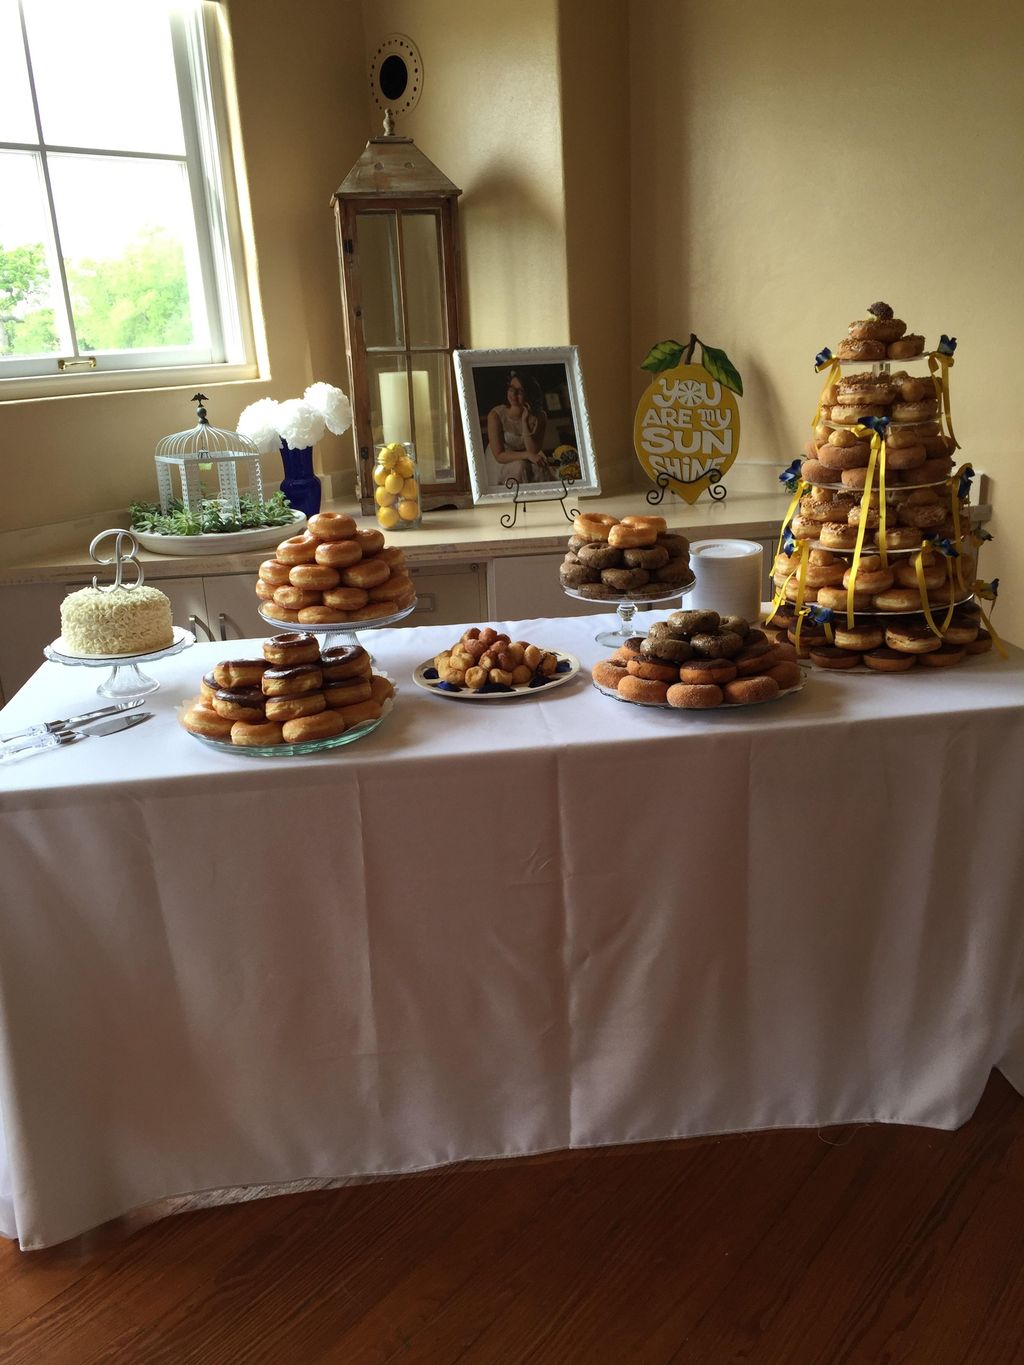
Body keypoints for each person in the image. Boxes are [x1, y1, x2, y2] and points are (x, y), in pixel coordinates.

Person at [484, 371, 554, 487]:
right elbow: (499, 455)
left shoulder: (540, 416)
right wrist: (527, 455)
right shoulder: (496, 415)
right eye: (511, 389)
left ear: (529, 394)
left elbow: (533, 450)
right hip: (502, 459)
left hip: (529, 455)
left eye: (520, 391)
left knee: (539, 468)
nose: (514, 394)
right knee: (520, 467)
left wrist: (524, 421)